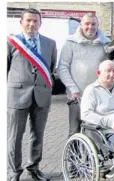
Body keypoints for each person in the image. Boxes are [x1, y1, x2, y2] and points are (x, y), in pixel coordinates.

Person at [7, 8, 57, 181]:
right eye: (28, 20)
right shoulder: (11, 43)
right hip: (17, 96)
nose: (32, 24)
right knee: (15, 137)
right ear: (21, 22)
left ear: (40, 23)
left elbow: (50, 68)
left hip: (41, 96)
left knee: (38, 135)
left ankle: (34, 168)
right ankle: (14, 172)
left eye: (35, 21)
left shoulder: (50, 43)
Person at [57, 13, 109, 137]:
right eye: (87, 24)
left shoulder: (106, 44)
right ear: (81, 25)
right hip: (77, 96)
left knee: (96, 131)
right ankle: (72, 156)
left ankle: (92, 156)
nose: (90, 27)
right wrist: (73, 89)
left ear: (98, 25)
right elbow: (63, 67)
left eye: (93, 24)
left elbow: (109, 68)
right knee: (75, 131)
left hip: (98, 96)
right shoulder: (70, 43)